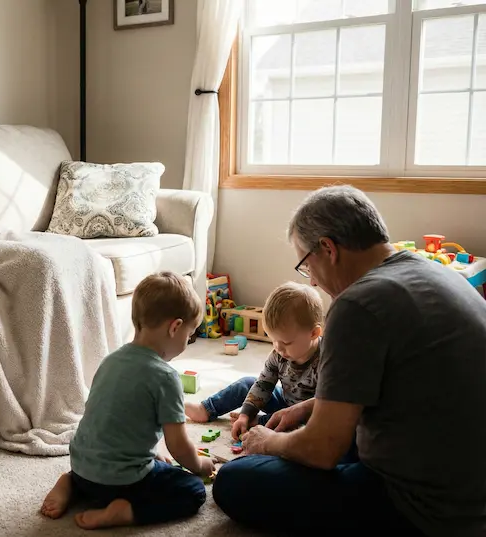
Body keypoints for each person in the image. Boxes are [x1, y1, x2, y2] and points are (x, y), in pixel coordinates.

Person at [213, 185, 486, 537]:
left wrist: (266, 441)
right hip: (471, 486)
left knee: (235, 481)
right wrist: (309, 407)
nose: (310, 279)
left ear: (327, 248)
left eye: (305, 264)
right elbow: (397, 384)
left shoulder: (357, 304)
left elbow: (321, 449)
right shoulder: (441, 274)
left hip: (426, 508)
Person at [39, 271, 218, 530]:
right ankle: (126, 512)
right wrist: (200, 464)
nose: (187, 342)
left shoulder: (110, 360)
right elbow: (178, 447)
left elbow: (116, 420)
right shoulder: (166, 377)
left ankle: (70, 483)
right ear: (175, 327)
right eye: (189, 335)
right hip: (124, 483)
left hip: (82, 468)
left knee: (103, 474)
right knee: (192, 491)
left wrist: (153, 454)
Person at [185, 281, 323, 442]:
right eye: (273, 340)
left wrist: (253, 419)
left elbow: (327, 407)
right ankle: (207, 409)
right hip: (285, 401)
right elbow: (264, 384)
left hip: (311, 415)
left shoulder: (327, 359)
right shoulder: (279, 354)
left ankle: (256, 422)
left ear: (314, 333)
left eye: (286, 343)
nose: (278, 348)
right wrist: (245, 414)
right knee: (249, 383)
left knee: (303, 427)